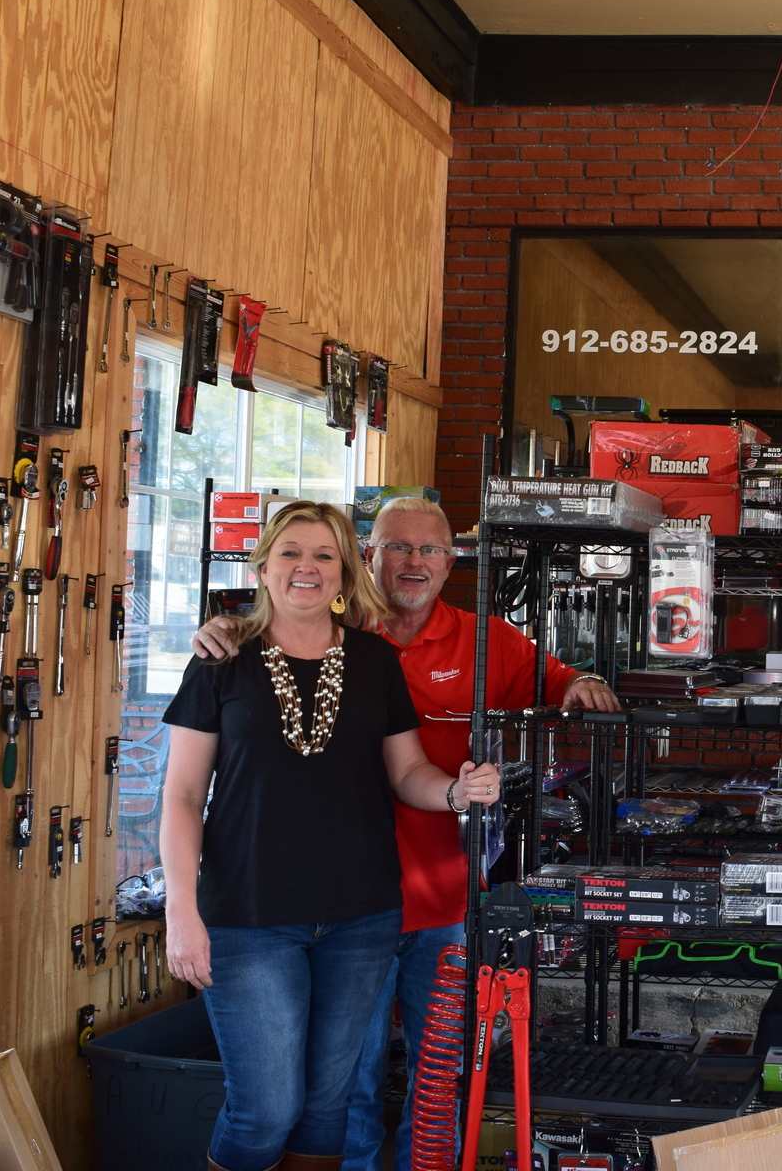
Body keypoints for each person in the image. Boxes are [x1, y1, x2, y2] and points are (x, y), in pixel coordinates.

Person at [192, 496, 620, 1171]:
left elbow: (561, 682)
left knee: (437, 1075)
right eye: (397, 547)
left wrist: (587, 681)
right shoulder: (330, 631)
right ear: (370, 556)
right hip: (332, 902)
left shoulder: (485, 641)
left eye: (429, 550)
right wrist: (225, 627)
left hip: (439, 901)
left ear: (452, 563)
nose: (413, 563)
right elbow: (250, 655)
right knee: (340, 1090)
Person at [163, 500, 504, 1171]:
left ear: (347, 573)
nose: (307, 568)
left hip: (361, 918)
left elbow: (407, 771)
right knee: (263, 1112)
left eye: (324, 555)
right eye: (291, 552)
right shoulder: (220, 661)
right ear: (263, 567)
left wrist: (455, 792)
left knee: (328, 1109)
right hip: (250, 918)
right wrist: (181, 910)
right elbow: (178, 795)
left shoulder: (375, 662)